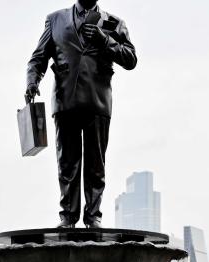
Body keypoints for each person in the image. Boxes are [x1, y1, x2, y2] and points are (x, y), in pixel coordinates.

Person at [25, 0, 137, 228]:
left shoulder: (114, 23)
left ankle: (93, 215)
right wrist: (32, 81)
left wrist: (104, 39)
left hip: (98, 101)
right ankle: (67, 216)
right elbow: (38, 58)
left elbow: (131, 59)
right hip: (66, 101)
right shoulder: (55, 19)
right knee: (67, 163)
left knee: (96, 164)